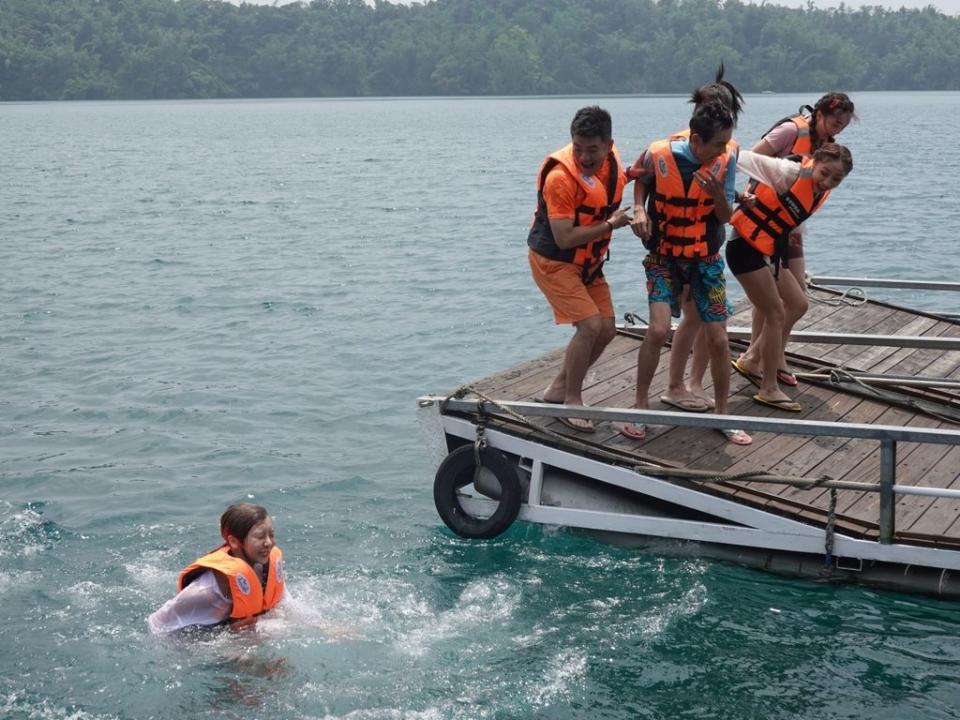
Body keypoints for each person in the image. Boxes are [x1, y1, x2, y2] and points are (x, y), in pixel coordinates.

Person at [621, 101, 742, 443]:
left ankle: (722, 413)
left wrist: (718, 192)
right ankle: (640, 406)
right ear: (697, 139)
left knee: (718, 338)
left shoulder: (725, 161)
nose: (724, 149)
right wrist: (639, 210)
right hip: (664, 258)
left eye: (726, 143)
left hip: (706, 260)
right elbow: (641, 181)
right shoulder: (658, 154)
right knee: (658, 330)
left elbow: (725, 216)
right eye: (718, 143)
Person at [726, 143, 854, 412]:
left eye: (836, 179)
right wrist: (733, 193)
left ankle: (752, 361)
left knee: (798, 304)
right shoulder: (787, 171)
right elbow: (738, 158)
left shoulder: (818, 193)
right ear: (815, 162)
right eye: (824, 173)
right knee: (775, 314)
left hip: (768, 252)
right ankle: (769, 388)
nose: (827, 182)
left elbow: (792, 219)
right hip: (744, 249)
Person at [528, 106, 632, 432]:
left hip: (589, 264)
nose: (584, 157)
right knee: (589, 326)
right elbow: (564, 236)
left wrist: (641, 209)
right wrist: (611, 225)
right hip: (555, 261)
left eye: (592, 149)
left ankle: (558, 388)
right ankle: (571, 400)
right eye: (578, 148)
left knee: (607, 329)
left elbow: (635, 176)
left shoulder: (612, 162)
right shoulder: (561, 179)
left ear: (608, 144)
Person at [740, 92, 856, 385]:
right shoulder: (792, 130)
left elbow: (819, 183)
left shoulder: (829, 149)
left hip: (791, 227)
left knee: (796, 293)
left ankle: (773, 355)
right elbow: (754, 156)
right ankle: (761, 358)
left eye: (843, 125)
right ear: (820, 114)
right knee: (772, 298)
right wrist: (751, 196)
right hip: (766, 217)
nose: (837, 128)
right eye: (834, 121)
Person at [148, 503, 286, 634]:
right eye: (260, 536)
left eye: (271, 534)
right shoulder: (206, 591)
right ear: (233, 542)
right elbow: (156, 625)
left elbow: (287, 604)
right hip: (207, 637)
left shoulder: (264, 567)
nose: (269, 542)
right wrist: (226, 637)